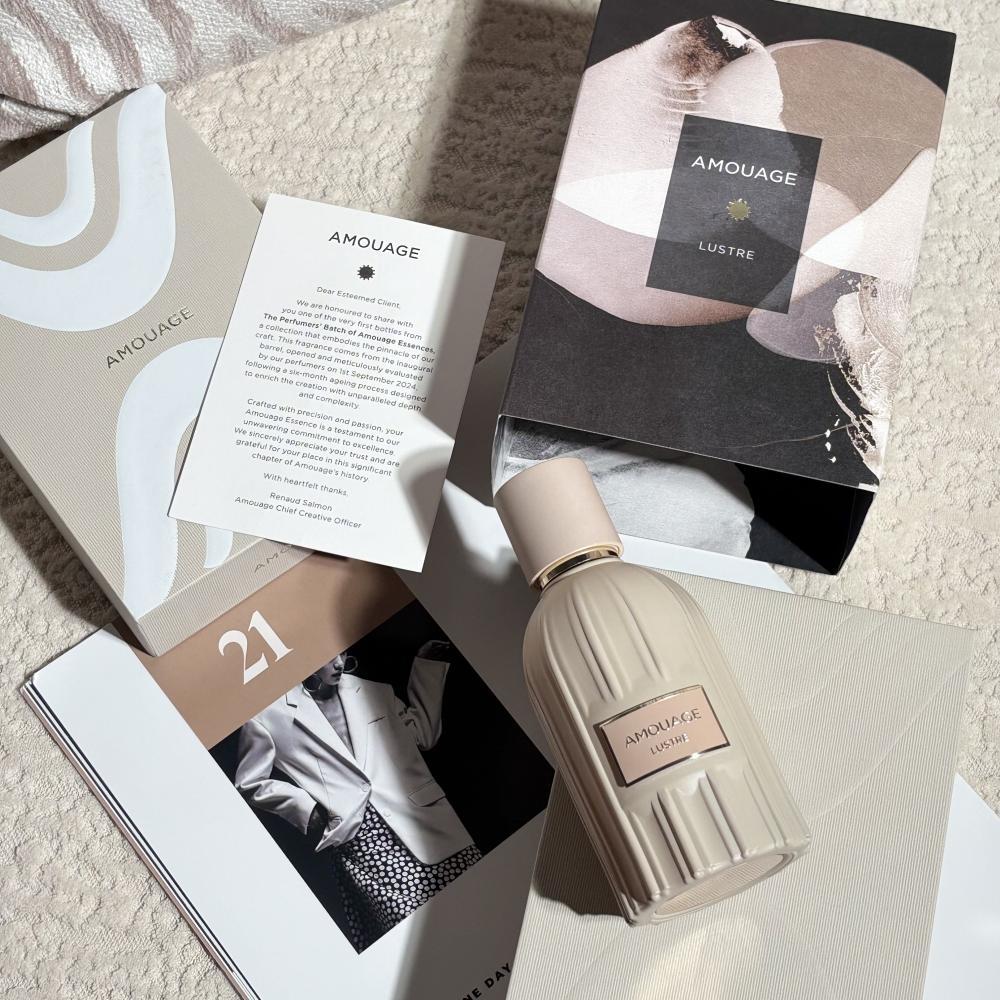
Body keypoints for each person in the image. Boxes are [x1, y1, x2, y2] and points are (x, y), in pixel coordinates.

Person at [235, 640, 481, 950]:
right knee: (416, 942)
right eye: (328, 657)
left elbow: (423, 735)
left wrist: (427, 666)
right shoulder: (269, 716)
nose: (339, 663)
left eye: (342, 654)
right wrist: (306, 809)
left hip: (426, 824)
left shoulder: (372, 690)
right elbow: (250, 780)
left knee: (478, 906)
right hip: (361, 845)